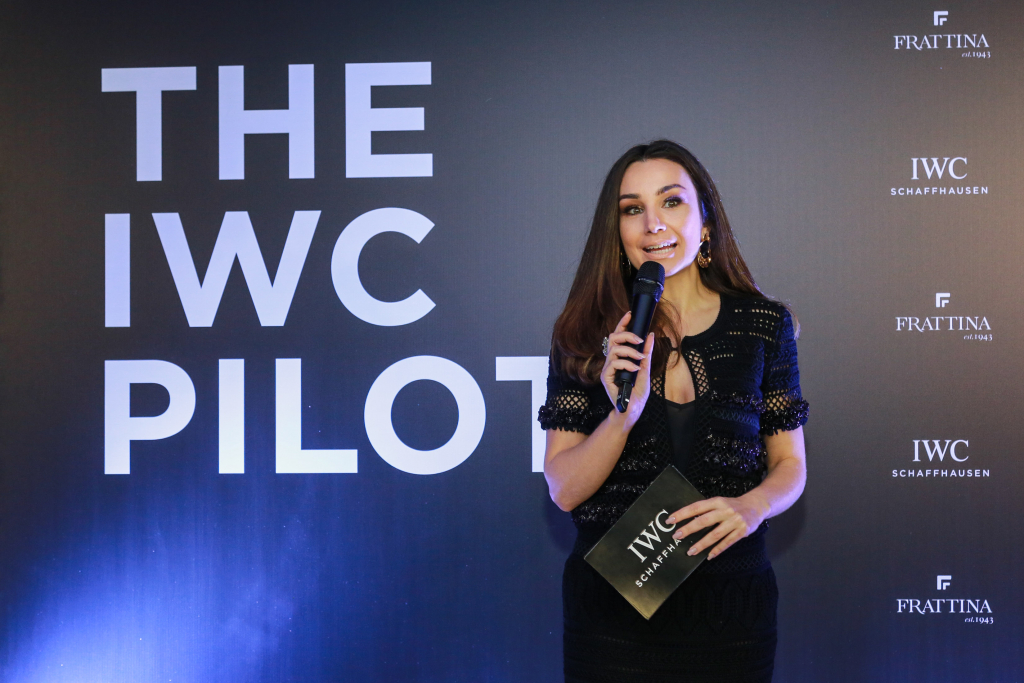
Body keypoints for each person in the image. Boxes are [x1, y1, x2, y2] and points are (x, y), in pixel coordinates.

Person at [539, 140, 808, 683]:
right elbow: (563, 488)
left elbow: (791, 464)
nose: (652, 223)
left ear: (705, 222)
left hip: (731, 611)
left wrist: (753, 505)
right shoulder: (586, 332)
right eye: (632, 208)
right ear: (617, 232)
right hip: (612, 621)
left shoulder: (764, 325)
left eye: (671, 201)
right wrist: (623, 413)